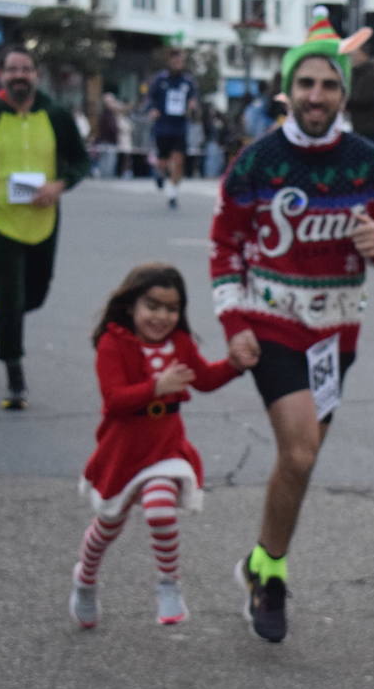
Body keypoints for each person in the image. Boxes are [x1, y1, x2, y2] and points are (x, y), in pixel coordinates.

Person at [210, 9, 374, 643]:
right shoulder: (257, 161)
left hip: (336, 333)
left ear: (343, 94)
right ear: (288, 91)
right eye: (306, 84)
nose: (315, 96)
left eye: (327, 85)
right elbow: (225, 247)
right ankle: (275, 578)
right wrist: (233, 320)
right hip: (271, 324)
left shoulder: (365, 162)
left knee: (301, 461)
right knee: (299, 449)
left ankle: (261, 563)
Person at [68, 263, 243, 629]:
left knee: (160, 509)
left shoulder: (179, 343)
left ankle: (169, 583)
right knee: (107, 527)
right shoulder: (113, 343)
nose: (161, 316)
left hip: (165, 445)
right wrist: (156, 387)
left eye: (171, 308)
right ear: (131, 305)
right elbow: (114, 400)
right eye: (153, 305)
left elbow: (205, 379)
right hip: (124, 448)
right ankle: (85, 579)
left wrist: (235, 365)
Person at [0, 46, 88, 409]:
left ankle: (4, 315)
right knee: (10, 299)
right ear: (1, 76)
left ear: (35, 76)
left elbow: (80, 161)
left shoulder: (56, 115)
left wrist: (59, 185)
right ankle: (15, 376)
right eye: (13, 70)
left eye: (26, 69)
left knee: (35, 295)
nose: (20, 76)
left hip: (44, 222)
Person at [145, 47, 198, 209]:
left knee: (178, 160)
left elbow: (194, 100)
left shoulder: (188, 82)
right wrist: (152, 110)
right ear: (170, 62)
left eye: (180, 61)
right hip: (163, 126)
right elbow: (150, 100)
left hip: (179, 127)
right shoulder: (160, 80)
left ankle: (173, 194)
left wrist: (192, 106)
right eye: (175, 61)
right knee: (163, 161)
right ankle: (160, 174)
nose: (178, 64)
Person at [345, 46, 374, 147]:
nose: (353, 58)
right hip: (361, 127)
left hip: (370, 129)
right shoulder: (357, 74)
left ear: (364, 55)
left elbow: (366, 98)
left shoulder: (369, 74)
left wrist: (344, 102)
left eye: (355, 55)